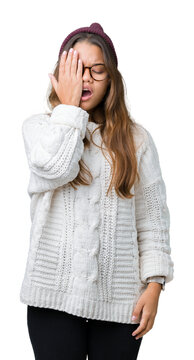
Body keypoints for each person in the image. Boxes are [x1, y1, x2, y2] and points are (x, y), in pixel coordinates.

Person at [19, 22, 174, 360]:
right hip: (53, 302)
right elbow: (56, 168)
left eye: (96, 70)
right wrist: (70, 107)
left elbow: (152, 222)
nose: (85, 78)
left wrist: (154, 286)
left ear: (112, 80)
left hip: (121, 305)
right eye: (75, 69)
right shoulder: (39, 128)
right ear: (60, 75)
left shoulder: (138, 140)